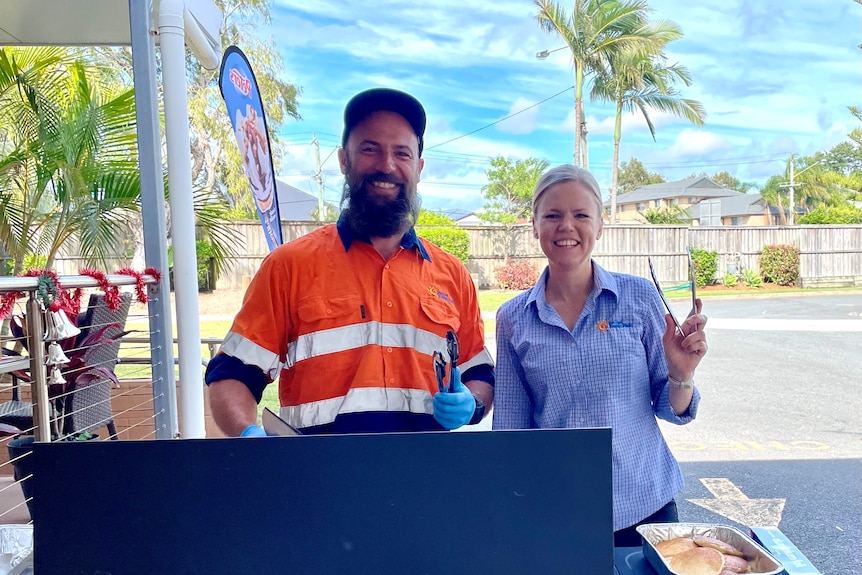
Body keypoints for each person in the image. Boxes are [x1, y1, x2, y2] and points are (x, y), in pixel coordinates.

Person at [205, 88, 494, 436]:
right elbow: (233, 373)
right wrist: (246, 435)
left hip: (426, 482)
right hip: (319, 483)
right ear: (344, 160)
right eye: (370, 149)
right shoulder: (289, 266)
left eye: (401, 153)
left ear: (418, 168)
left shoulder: (452, 275)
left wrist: (472, 403)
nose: (387, 165)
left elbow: (480, 373)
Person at [491, 164, 708, 547]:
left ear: (600, 225)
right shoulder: (513, 317)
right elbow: (511, 430)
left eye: (581, 215)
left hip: (646, 506)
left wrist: (681, 374)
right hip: (557, 511)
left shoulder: (639, 298)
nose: (566, 227)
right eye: (553, 215)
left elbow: (672, 408)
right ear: (534, 225)